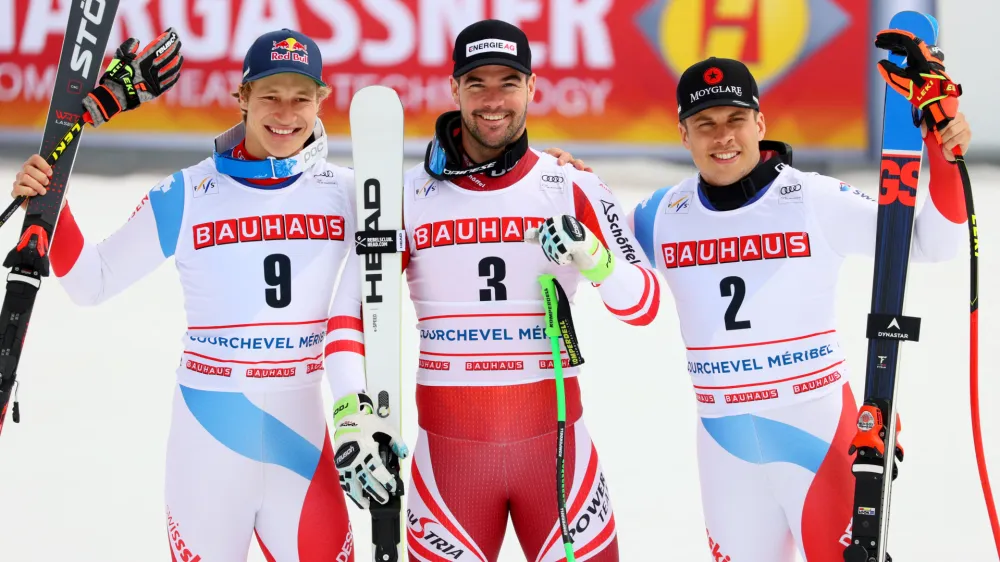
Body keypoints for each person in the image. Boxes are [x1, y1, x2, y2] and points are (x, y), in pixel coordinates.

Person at [12, 28, 371, 561]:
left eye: (301, 96)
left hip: (303, 437)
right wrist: (52, 206)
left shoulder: (350, 191)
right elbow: (93, 282)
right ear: (242, 96)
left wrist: (545, 171)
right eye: (270, 94)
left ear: (322, 100)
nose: (285, 112)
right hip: (209, 442)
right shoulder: (188, 192)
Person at [326, 19, 659, 562]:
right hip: (448, 469)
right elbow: (349, 313)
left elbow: (642, 305)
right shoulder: (405, 193)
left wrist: (595, 261)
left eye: (509, 82)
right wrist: (348, 410)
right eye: (476, 83)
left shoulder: (573, 184)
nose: (493, 100)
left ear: (532, 88)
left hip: (556, 460)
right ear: (454, 89)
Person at [624, 48, 970, 561]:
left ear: (760, 121)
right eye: (705, 123)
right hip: (725, 448)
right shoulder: (658, 215)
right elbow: (590, 252)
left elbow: (931, 243)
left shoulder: (812, 198)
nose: (723, 136)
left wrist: (943, 149)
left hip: (819, 431)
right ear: (683, 134)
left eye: (737, 120)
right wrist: (569, 180)